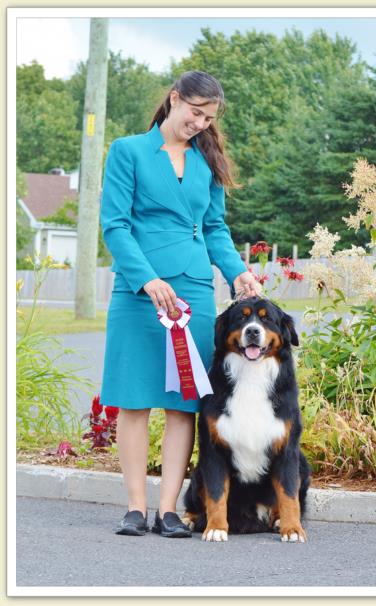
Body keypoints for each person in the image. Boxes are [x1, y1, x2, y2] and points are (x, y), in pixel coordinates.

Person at [100, 70, 261, 538]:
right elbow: (115, 225)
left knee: (182, 403)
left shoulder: (205, 163)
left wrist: (237, 272)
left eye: (208, 118)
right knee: (133, 400)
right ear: (174, 100)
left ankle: (168, 509)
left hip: (192, 292)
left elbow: (214, 229)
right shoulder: (127, 151)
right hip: (139, 291)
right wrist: (147, 279)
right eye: (195, 113)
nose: (200, 123)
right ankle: (135, 506)